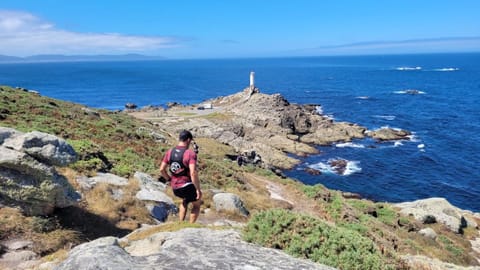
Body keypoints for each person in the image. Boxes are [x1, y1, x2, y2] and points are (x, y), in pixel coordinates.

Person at [159, 130, 202, 223]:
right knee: (197, 204)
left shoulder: (170, 152)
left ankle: (181, 222)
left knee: (185, 200)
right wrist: (197, 189)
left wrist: (170, 180)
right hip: (186, 185)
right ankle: (191, 226)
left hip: (175, 187)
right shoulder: (190, 154)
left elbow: (162, 169)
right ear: (188, 140)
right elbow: (193, 173)